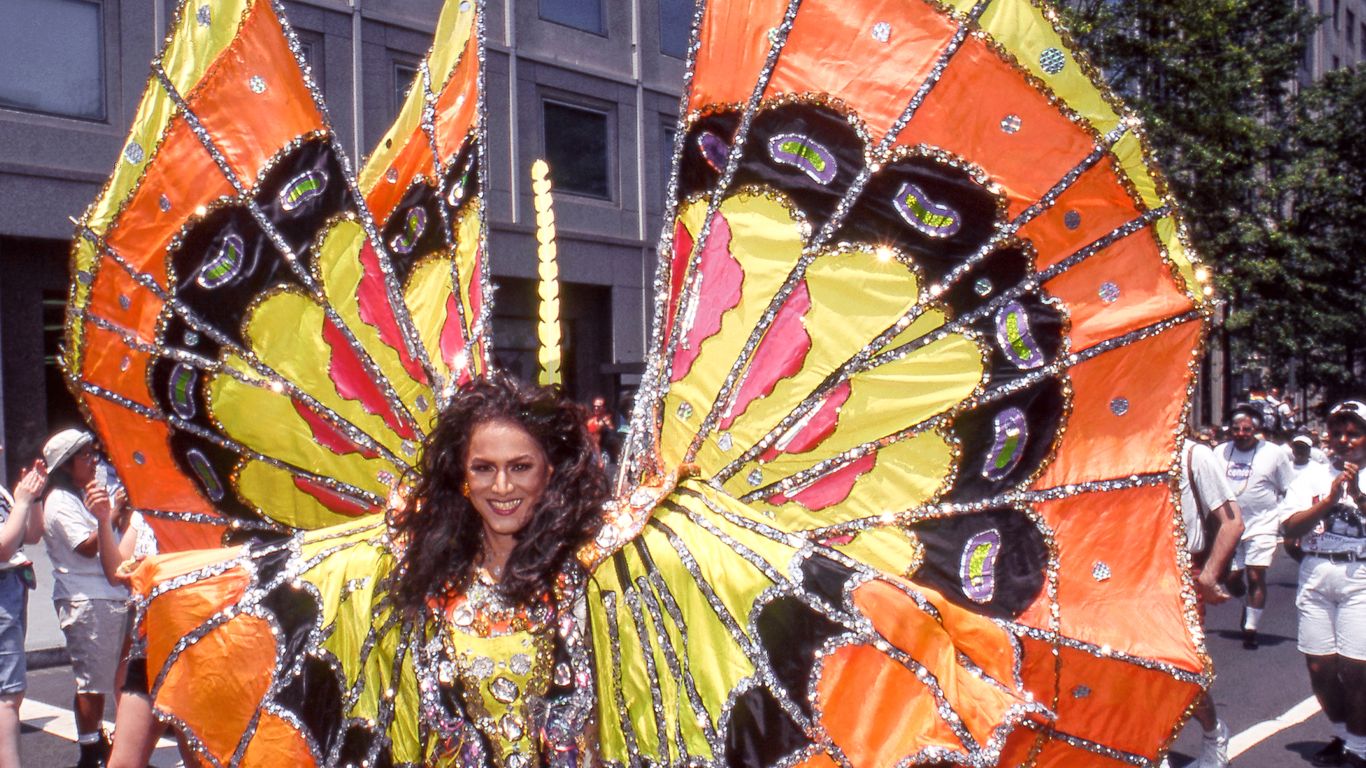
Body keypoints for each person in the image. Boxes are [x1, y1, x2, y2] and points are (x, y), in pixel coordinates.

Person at [1280, 399, 1366, 768]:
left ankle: (1359, 750)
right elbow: (1291, 527)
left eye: (1354, 433)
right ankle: (1347, 736)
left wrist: (1358, 497)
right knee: (1320, 669)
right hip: (1316, 573)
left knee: (1356, 669)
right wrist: (1328, 502)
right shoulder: (1310, 476)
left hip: (1360, 576)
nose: (1344, 440)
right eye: (1336, 433)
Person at [39, 429, 130, 768]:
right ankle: (90, 750)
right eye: (85, 456)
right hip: (86, 598)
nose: (94, 461)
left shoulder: (90, 493)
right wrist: (113, 511)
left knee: (120, 675)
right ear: (66, 466)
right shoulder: (60, 501)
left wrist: (115, 511)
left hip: (114, 592)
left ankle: (117, 745)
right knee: (93, 680)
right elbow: (88, 547)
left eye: (94, 453)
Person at [1166, 435, 1245, 768]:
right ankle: (1156, 748)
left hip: (1184, 569)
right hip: (1138, 574)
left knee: (1184, 669)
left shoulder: (1193, 455)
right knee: (1140, 665)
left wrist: (1209, 575)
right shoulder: (1130, 451)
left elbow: (1232, 522)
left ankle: (1214, 735)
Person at [1215, 405, 1295, 648]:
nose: (1241, 433)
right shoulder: (1220, 452)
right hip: (1231, 524)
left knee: (1255, 573)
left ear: (1257, 430)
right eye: (1236, 429)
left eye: (1247, 429)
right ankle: (1246, 604)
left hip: (1263, 521)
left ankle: (1251, 628)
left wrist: (1288, 521)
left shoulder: (1274, 454)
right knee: (1230, 579)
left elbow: (1287, 488)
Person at [0, 451, 47, 768]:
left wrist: (34, 498)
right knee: (6, 695)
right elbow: (3, 548)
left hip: (11, 591)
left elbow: (30, 535)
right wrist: (21, 500)